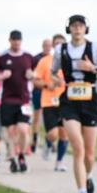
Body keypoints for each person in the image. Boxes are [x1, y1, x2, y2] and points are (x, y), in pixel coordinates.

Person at [51, 15, 97, 193]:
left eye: (80, 26)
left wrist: (93, 68)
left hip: (90, 100)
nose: (77, 29)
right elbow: (53, 71)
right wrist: (57, 80)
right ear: (68, 29)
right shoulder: (60, 50)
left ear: (86, 29)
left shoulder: (95, 48)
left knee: (89, 153)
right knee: (77, 148)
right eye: (74, 26)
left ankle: (88, 175)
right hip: (69, 101)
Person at [0, 30, 36, 173]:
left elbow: (37, 74)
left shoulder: (28, 57)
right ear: (10, 40)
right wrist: (1, 77)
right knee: (10, 132)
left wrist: (32, 75)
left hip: (24, 100)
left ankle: (21, 155)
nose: (16, 42)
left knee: (23, 129)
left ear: (21, 41)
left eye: (19, 40)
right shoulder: (2, 57)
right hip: (7, 100)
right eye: (14, 40)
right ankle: (13, 159)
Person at [33, 33, 69, 172]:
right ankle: (48, 143)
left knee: (64, 134)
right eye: (57, 43)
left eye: (62, 43)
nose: (59, 45)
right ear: (53, 45)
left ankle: (59, 162)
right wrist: (47, 85)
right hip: (49, 102)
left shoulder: (70, 61)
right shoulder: (45, 61)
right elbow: (36, 81)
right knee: (53, 134)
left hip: (66, 102)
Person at [30, 38, 52, 154]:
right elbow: (32, 75)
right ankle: (34, 139)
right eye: (45, 45)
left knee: (50, 117)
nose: (47, 47)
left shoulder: (54, 59)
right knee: (37, 117)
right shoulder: (36, 59)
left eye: (49, 45)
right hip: (38, 91)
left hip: (51, 92)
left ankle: (50, 140)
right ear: (42, 46)